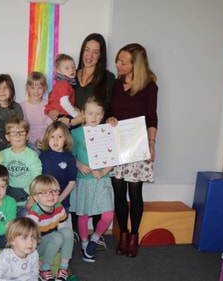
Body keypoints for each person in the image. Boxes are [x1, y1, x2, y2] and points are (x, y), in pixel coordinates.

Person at [107, 43, 158, 258]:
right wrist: (109, 119)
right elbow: (109, 111)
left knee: (135, 193)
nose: (118, 64)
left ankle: (134, 236)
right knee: (118, 193)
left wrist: (152, 143)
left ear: (134, 64)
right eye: (118, 60)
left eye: (123, 62)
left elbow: (152, 117)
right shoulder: (115, 85)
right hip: (117, 145)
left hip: (138, 147)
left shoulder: (149, 87)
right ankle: (124, 235)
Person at [70, 98, 114, 263]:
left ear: (102, 115)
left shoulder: (106, 131)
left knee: (108, 215)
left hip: (102, 180)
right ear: (83, 114)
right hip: (84, 180)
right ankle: (84, 243)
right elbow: (71, 156)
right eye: (90, 113)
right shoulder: (76, 134)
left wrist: (103, 172)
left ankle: (94, 239)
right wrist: (79, 165)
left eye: (97, 113)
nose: (94, 117)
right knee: (83, 214)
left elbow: (113, 157)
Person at [27, 175, 73, 281]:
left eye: (54, 191)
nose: (51, 196)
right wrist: (33, 258)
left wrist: (62, 245)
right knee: (57, 237)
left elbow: (63, 230)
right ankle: (45, 269)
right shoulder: (33, 214)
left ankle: (63, 268)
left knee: (67, 231)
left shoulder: (59, 207)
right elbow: (29, 239)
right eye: (45, 193)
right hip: (36, 247)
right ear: (35, 197)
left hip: (51, 240)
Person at [0, 116, 42, 217]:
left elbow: (37, 179)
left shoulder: (32, 155)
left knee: (26, 229)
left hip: (27, 202)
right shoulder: (1, 155)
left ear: (27, 136)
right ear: (7, 137)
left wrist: (32, 199)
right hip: (7, 203)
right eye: (13, 133)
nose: (18, 136)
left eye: (21, 132)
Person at [39, 121, 77, 211]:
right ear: (47, 138)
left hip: (62, 202)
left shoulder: (70, 158)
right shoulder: (42, 156)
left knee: (61, 224)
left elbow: (72, 183)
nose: (55, 140)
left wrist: (59, 200)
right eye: (52, 136)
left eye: (60, 137)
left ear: (66, 139)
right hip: (44, 202)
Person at [0, 217, 40, 281]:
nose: (30, 242)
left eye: (33, 237)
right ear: (12, 240)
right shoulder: (3, 260)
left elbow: (34, 276)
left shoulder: (34, 254)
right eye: (24, 238)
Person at [20, 71, 52, 151]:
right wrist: (35, 141)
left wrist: (43, 140)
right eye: (33, 87)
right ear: (28, 88)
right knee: (35, 154)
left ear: (44, 88)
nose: (36, 91)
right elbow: (23, 129)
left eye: (39, 88)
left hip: (47, 139)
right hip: (30, 141)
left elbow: (51, 127)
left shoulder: (48, 105)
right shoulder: (22, 106)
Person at [45, 54, 80, 122]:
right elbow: (64, 102)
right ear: (59, 71)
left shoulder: (65, 84)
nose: (71, 70)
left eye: (73, 67)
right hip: (62, 115)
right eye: (67, 68)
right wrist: (76, 114)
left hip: (62, 114)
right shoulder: (63, 84)